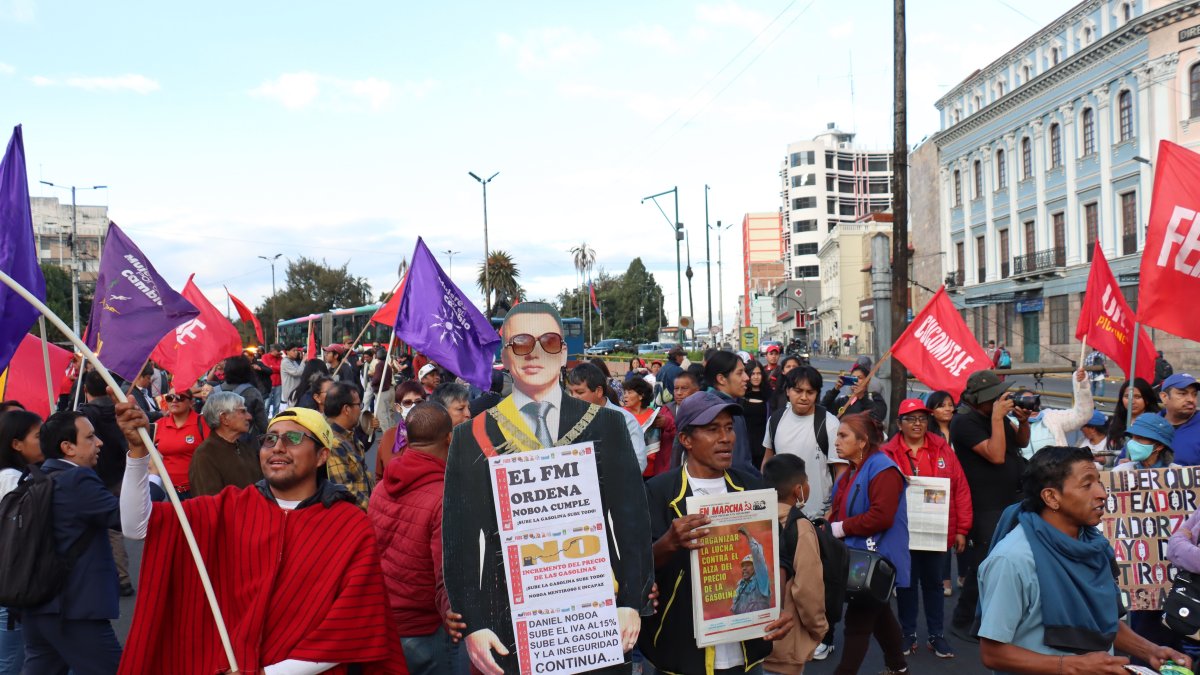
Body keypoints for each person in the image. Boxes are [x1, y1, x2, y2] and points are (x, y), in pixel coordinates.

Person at [442, 302, 653, 674]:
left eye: (549, 341)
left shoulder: (606, 425)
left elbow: (631, 521)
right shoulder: (471, 436)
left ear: (565, 353)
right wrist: (474, 622)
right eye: (521, 343)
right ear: (504, 356)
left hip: (595, 617)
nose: (536, 352)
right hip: (507, 620)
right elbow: (460, 540)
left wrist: (632, 600)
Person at [117, 404, 404, 673]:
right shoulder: (229, 507)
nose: (278, 447)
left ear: (321, 456)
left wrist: (269, 673)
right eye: (269, 439)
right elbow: (137, 526)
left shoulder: (350, 526)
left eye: (293, 438)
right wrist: (138, 452)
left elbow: (352, 626)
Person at [978, 446, 1190, 674]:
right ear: (1051, 497)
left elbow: (1100, 622)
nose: (1102, 493)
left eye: (1099, 481)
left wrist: (1150, 651)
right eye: (1087, 485)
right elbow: (992, 653)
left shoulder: (1093, 547)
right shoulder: (1013, 560)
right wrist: (1071, 666)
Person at [640, 392, 793, 673]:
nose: (726, 438)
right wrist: (669, 542)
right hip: (683, 651)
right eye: (712, 430)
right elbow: (637, 568)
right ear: (686, 439)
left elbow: (778, 558)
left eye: (729, 428)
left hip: (745, 652)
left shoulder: (752, 487)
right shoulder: (658, 492)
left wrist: (778, 607)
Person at [370, 403, 467, 674]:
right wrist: (452, 611)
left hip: (389, 623)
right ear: (449, 438)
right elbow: (446, 573)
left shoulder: (380, 488)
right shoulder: (443, 497)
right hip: (430, 629)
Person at [22, 411, 122, 674]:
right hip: (74, 610)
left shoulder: (37, 478)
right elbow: (127, 519)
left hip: (38, 604)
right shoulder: (76, 478)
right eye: (89, 437)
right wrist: (153, 477)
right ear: (68, 447)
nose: (98, 442)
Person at [881, 399, 972, 659]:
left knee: (933, 584)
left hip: (936, 532)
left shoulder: (943, 449)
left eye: (922, 418)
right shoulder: (888, 453)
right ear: (899, 423)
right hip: (902, 532)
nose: (917, 423)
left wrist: (962, 529)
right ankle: (907, 634)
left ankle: (936, 635)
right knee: (906, 584)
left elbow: (960, 489)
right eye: (911, 418)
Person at [950, 369, 1031, 641]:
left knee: (1006, 561)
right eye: (994, 398)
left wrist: (1023, 421)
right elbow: (996, 455)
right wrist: (998, 416)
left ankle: (994, 619)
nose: (1000, 400)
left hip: (1009, 500)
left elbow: (1020, 443)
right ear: (977, 400)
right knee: (984, 565)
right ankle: (963, 622)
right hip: (984, 505)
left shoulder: (995, 417)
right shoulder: (964, 422)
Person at [828, 413, 910, 675]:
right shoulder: (854, 469)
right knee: (880, 615)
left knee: (857, 623)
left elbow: (882, 516)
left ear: (862, 442)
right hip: (862, 557)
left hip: (875, 558)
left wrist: (840, 528)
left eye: (843, 436)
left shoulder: (883, 469)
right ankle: (898, 668)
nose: (837, 441)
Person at [762, 454, 828, 675]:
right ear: (798, 490)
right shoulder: (799, 527)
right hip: (785, 644)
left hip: (753, 641)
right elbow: (808, 589)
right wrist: (819, 629)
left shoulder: (755, 520)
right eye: (807, 481)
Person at [761, 366, 845, 519]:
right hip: (781, 515)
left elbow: (842, 471)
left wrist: (833, 509)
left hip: (820, 516)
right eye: (798, 391)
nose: (804, 397)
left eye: (810, 392)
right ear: (788, 391)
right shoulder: (775, 420)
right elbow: (767, 461)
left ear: (817, 394)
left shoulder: (829, 423)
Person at [78, 371, 134, 598]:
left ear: (85, 389)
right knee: (114, 529)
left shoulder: (82, 416)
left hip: (93, 477)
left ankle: (102, 579)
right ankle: (122, 577)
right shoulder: (120, 410)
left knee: (88, 529)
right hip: (119, 474)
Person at [0, 409, 42, 672]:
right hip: (13, 587)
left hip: (14, 585)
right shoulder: (12, 481)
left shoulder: (18, 477)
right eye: (39, 436)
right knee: (9, 663)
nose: (45, 441)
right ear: (16, 444)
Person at [564, 362, 649, 472]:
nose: (574, 397)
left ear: (599, 391)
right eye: (570, 392)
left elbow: (638, 463)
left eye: (579, 392)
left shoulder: (624, 420)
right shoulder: (567, 419)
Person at [188, 391, 262, 497]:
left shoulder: (246, 447)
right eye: (243, 411)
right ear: (224, 418)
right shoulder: (205, 455)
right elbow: (208, 503)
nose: (249, 416)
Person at [705, 350, 760, 477]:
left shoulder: (704, 404)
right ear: (721, 379)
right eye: (740, 373)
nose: (747, 378)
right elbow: (739, 463)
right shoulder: (729, 411)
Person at [1021, 368, 1094, 458]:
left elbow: (1082, 415)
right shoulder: (1011, 423)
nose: (1030, 407)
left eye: (1033, 401)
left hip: (1056, 470)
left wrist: (1081, 384)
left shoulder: (1052, 417)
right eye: (1025, 403)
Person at [323, 382, 374, 511]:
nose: (360, 409)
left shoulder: (349, 435)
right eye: (359, 405)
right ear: (346, 409)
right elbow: (345, 490)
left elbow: (363, 476)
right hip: (356, 517)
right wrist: (374, 510)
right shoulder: (333, 443)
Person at [151, 389, 206, 500]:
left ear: (191, 402)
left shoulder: (203, 422)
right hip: (168, 492)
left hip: (198, 489)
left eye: (180, 397)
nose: (174, 401)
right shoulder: (159, 424)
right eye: (170, 398)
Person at [621, 375, 675, 477]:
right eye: (625, 392)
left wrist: (666, 423)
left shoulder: (655, 415)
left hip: (652, 470)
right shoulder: (620, 413)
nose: (625, 396)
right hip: (627, 468)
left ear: (641, 396)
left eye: (630, 392)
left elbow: (668, 438)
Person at [375, 381, 426, 481]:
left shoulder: (434, 436)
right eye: (407, 403)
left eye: (419, 402)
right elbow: (379, 477)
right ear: (398, 408)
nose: (414, 407)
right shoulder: (388, 437)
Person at [212, 355, 269, 439]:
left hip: (219, 442)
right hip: (246, 443)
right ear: (247, 370)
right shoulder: (252, 392)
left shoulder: (214, 392)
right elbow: (262, 423)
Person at [820, 364, 887, 424]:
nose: (856, 381)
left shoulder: (874, 397)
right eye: (853, 378)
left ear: (868, 381)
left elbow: (879, 416)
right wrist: (835, 390)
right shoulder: (843, 400)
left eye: (860, 378)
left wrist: (862, 396)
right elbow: (822, 408)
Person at [1107, 378, 1159, 454]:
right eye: (1127, 396)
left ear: (1147, 399)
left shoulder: (1156, 422)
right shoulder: (1116, 421)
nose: (1132, 401)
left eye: (1137, 397)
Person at [1160, 373, 1200, 466]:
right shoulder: (1146, 425)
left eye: (1194, 394)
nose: (1191, 399)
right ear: (1164, 397)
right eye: (1182, 393)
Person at [743, 359, 772, 470]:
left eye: (759, 373)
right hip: (745, 447)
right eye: (753, 374)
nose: (756, 377)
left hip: (764, 447)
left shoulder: (769, 396)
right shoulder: (741, 396)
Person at [261, 343, 285, 416]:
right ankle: (265, 422)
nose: (280, 353)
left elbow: (282, 368)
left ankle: (275, 420)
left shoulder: (281, 358)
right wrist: (277, 368)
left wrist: (272, 367)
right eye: (278, 351)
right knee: (266, 405)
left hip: (279, 384)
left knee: (277, 404)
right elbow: (267, 368)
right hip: (268, 384)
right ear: (273, 350)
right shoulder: (265, 357)